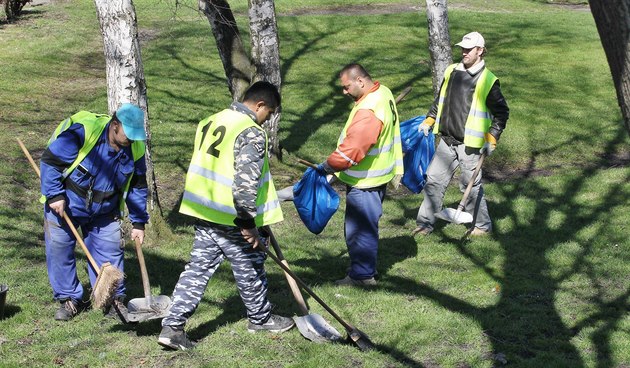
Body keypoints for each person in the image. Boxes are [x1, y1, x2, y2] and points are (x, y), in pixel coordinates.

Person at [158, 81, 294, 351]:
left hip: (205, 211)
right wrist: (247, 223)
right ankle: (260, 318)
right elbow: (245, 183)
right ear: (260, 105)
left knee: (197, 270)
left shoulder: (210, 121)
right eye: (269, 113)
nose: (267, 121)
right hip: (233, 216)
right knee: (251, 266)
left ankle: (172, 326)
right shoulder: (251, 132)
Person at [40, 103, 149, 321]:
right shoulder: (83, 132)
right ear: (114, 125)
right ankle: (70, 299)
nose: (131, 141)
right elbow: (50, 162)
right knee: (59, 249)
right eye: (128, 135)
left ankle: (112, 300)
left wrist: (138, 222)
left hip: (105, 209)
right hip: (67, 202)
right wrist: (54, 195)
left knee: (110, 252)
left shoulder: (136, 148)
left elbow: (137, 186)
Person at [413, 31, 509, 236]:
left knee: (470, 187)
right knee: (433, 181)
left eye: (468, 49)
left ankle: (482, 226)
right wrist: (430, 119)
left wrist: (492, 137)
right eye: (462, 49)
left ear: (480, 51)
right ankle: (424, 224)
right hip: (446, 140)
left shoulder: (488, 80)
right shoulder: (451, 71)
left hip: (470, 145)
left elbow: (502, 113)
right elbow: (441, 100)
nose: (464, 52)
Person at [317, 63, 403, 287]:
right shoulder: (383, 92)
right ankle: (362, 271)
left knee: (360, 230)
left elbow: (353, 150)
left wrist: (328, 166)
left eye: (346, 87)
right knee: (364, 226)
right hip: (377, 176)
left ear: (361, 82)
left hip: (365, 180)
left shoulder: (369, 110)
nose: (344, 92)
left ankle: (362, 277)